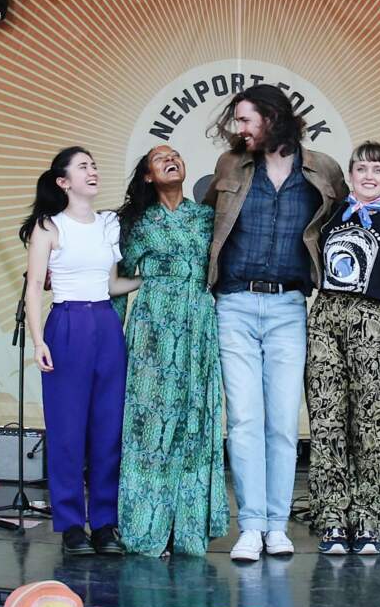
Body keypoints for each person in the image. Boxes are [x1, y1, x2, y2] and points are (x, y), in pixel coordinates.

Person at [204, 84, 349, 562]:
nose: (239, 129)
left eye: (246, 120)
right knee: (244, 418)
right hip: (234, 303)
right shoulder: (231, 166)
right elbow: (205, 226)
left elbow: (350, 228)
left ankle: (276, 524)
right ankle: (250, 525)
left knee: (283, 422)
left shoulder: (322, 168)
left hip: (289, 306)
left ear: (271, 117)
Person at [20, 146, 140, 556]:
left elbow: (111, 285)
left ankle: (105, 523)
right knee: (68, 430)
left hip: (106, 323)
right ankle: (72, 525)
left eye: (94, 164)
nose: (92, 171)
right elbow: (34, 287)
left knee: (108, 429)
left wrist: (149, 279)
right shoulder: (49, 227)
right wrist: (39, 341)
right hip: (67, 323)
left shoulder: (108, 224)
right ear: (63, 181)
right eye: (83, 167)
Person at [114, 145, 229, 556]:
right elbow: (119, 279)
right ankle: (146, 529)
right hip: (152, 332)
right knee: (149, 428)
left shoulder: (205, 218)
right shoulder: (137, 223)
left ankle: (187, 531)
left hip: (197, 326)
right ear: (147, 176)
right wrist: (112, 339)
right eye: (161, 157)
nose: (172, 160)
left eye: (178, 155)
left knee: (194, 425)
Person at [305, 141, 380, 555]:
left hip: (371, 319)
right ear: (349, 174)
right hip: (326, 315)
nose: (369, 176)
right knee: (328, 418)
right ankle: (332, 517)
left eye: (378, 170)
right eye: (362, 168)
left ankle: (368, 518)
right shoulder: (328, 217)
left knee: (370, 419)